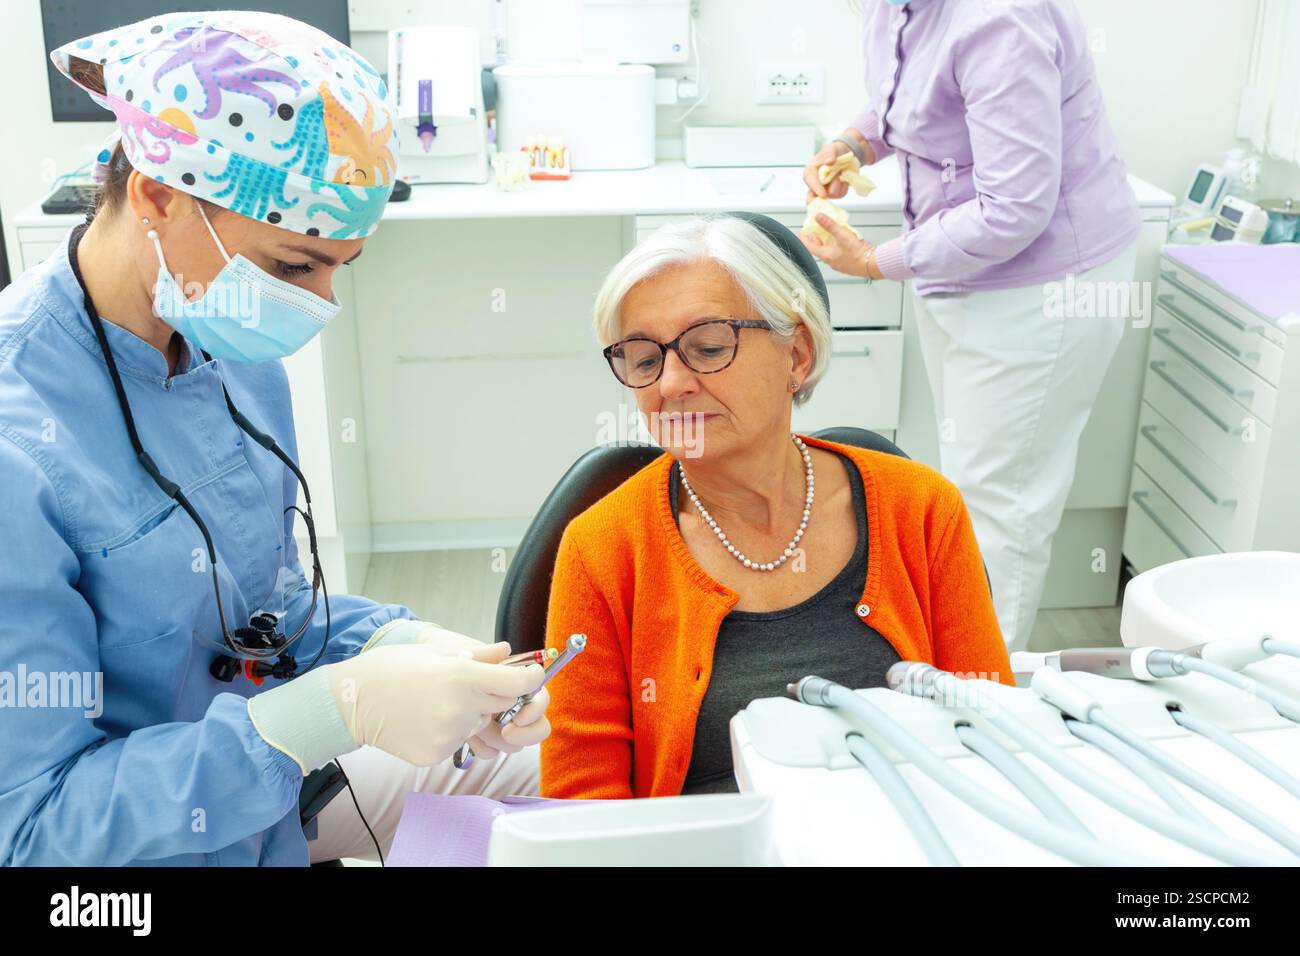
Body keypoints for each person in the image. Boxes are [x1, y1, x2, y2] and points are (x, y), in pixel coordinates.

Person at [0, 11, 548, 866]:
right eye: (296, 265)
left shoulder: (226, 343)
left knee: (559, 778)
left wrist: (395, 645)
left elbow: (265, 606)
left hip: (269, 806)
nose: (319, 303)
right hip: (125, 860)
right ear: (158, 195)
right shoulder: (18, 447)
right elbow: (34, 834)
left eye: (339, 266)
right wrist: (326, 715)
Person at [539, 214, 1012, 799]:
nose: (671, 383)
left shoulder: (921, 508)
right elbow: (580, 807)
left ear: (798, 356)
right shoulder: (601, 547)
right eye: (643, 360)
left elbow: (994, 735)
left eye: (708, 347)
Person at [801, 0, 1142, 651]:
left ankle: (984, 703)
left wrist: (875, 262)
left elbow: (1015, 209)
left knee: (1000, 512)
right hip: (961, 267)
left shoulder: (999, 19)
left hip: (1041, 288)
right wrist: (856, 142)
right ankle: (948, 660)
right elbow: (917, 97)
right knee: (962, 487)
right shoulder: (899, 9)